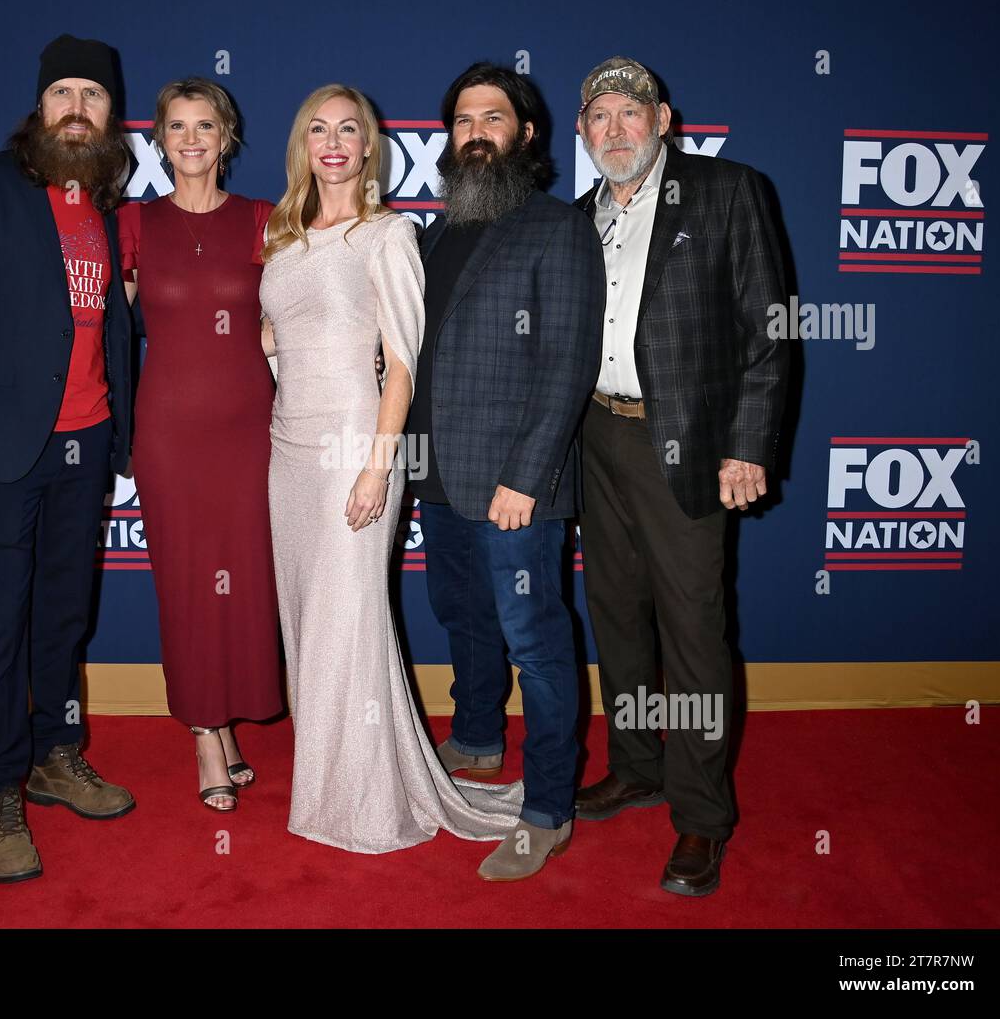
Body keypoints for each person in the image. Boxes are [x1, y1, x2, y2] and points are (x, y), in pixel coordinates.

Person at [260, 83, 524, 855]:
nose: (334, 141)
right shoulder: (284, 235)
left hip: (355, 445)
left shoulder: (389, 234)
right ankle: (325, 777)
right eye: (319, 129)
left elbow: (402, 367)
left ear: (369, 146)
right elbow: (278, 334)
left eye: (350, 129)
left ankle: (368, 799)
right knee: (307, 620)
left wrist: (379, 467)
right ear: (303, 144)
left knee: (351, 620)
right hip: (287, 451)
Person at [0, 34, 137, 884]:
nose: (76, 108)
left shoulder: (107, 203)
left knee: (64, 616)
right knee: (0, 623)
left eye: (93, 95)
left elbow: (111, 327)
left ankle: (57, 754)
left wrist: (119, 436)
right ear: (39, 107)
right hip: (1, 452)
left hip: (86, 445)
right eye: (62, 94)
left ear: (112, 116)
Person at [571, 56, 789, 897]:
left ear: (663, 118)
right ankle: (637, 765)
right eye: (600, 117)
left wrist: (750, 443)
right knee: (616, 619)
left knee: (693, 634)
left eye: (631, 113)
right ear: (584, 131)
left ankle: (701, 815)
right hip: (595, 435)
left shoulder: (728, 190)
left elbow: (768, 330)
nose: (616, 130)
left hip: (687, 443)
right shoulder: (576, 217)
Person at [405, 63, 602, 881]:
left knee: (537, 640)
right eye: (462, 120)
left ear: (526, 133)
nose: (476, 131)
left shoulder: (556, 228)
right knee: (461, 614)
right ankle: (480, 735)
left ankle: (549, 807)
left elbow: (567, 362)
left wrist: (527, 476)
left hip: (516, 482)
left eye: (493, 117)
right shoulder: (431, 232)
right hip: (440, 474)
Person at [118, 79, 284, 813]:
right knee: (186, 583)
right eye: (176, 127)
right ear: (159, 138)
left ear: (227, 137)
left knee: (243, 577)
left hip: (250, 431)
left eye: (205, 125)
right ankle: (205, 732)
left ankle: (226, 715)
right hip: (168, 435)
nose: (191, 139)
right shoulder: (131, 224)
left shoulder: (261, 220)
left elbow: (285, 326)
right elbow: (114, 339)